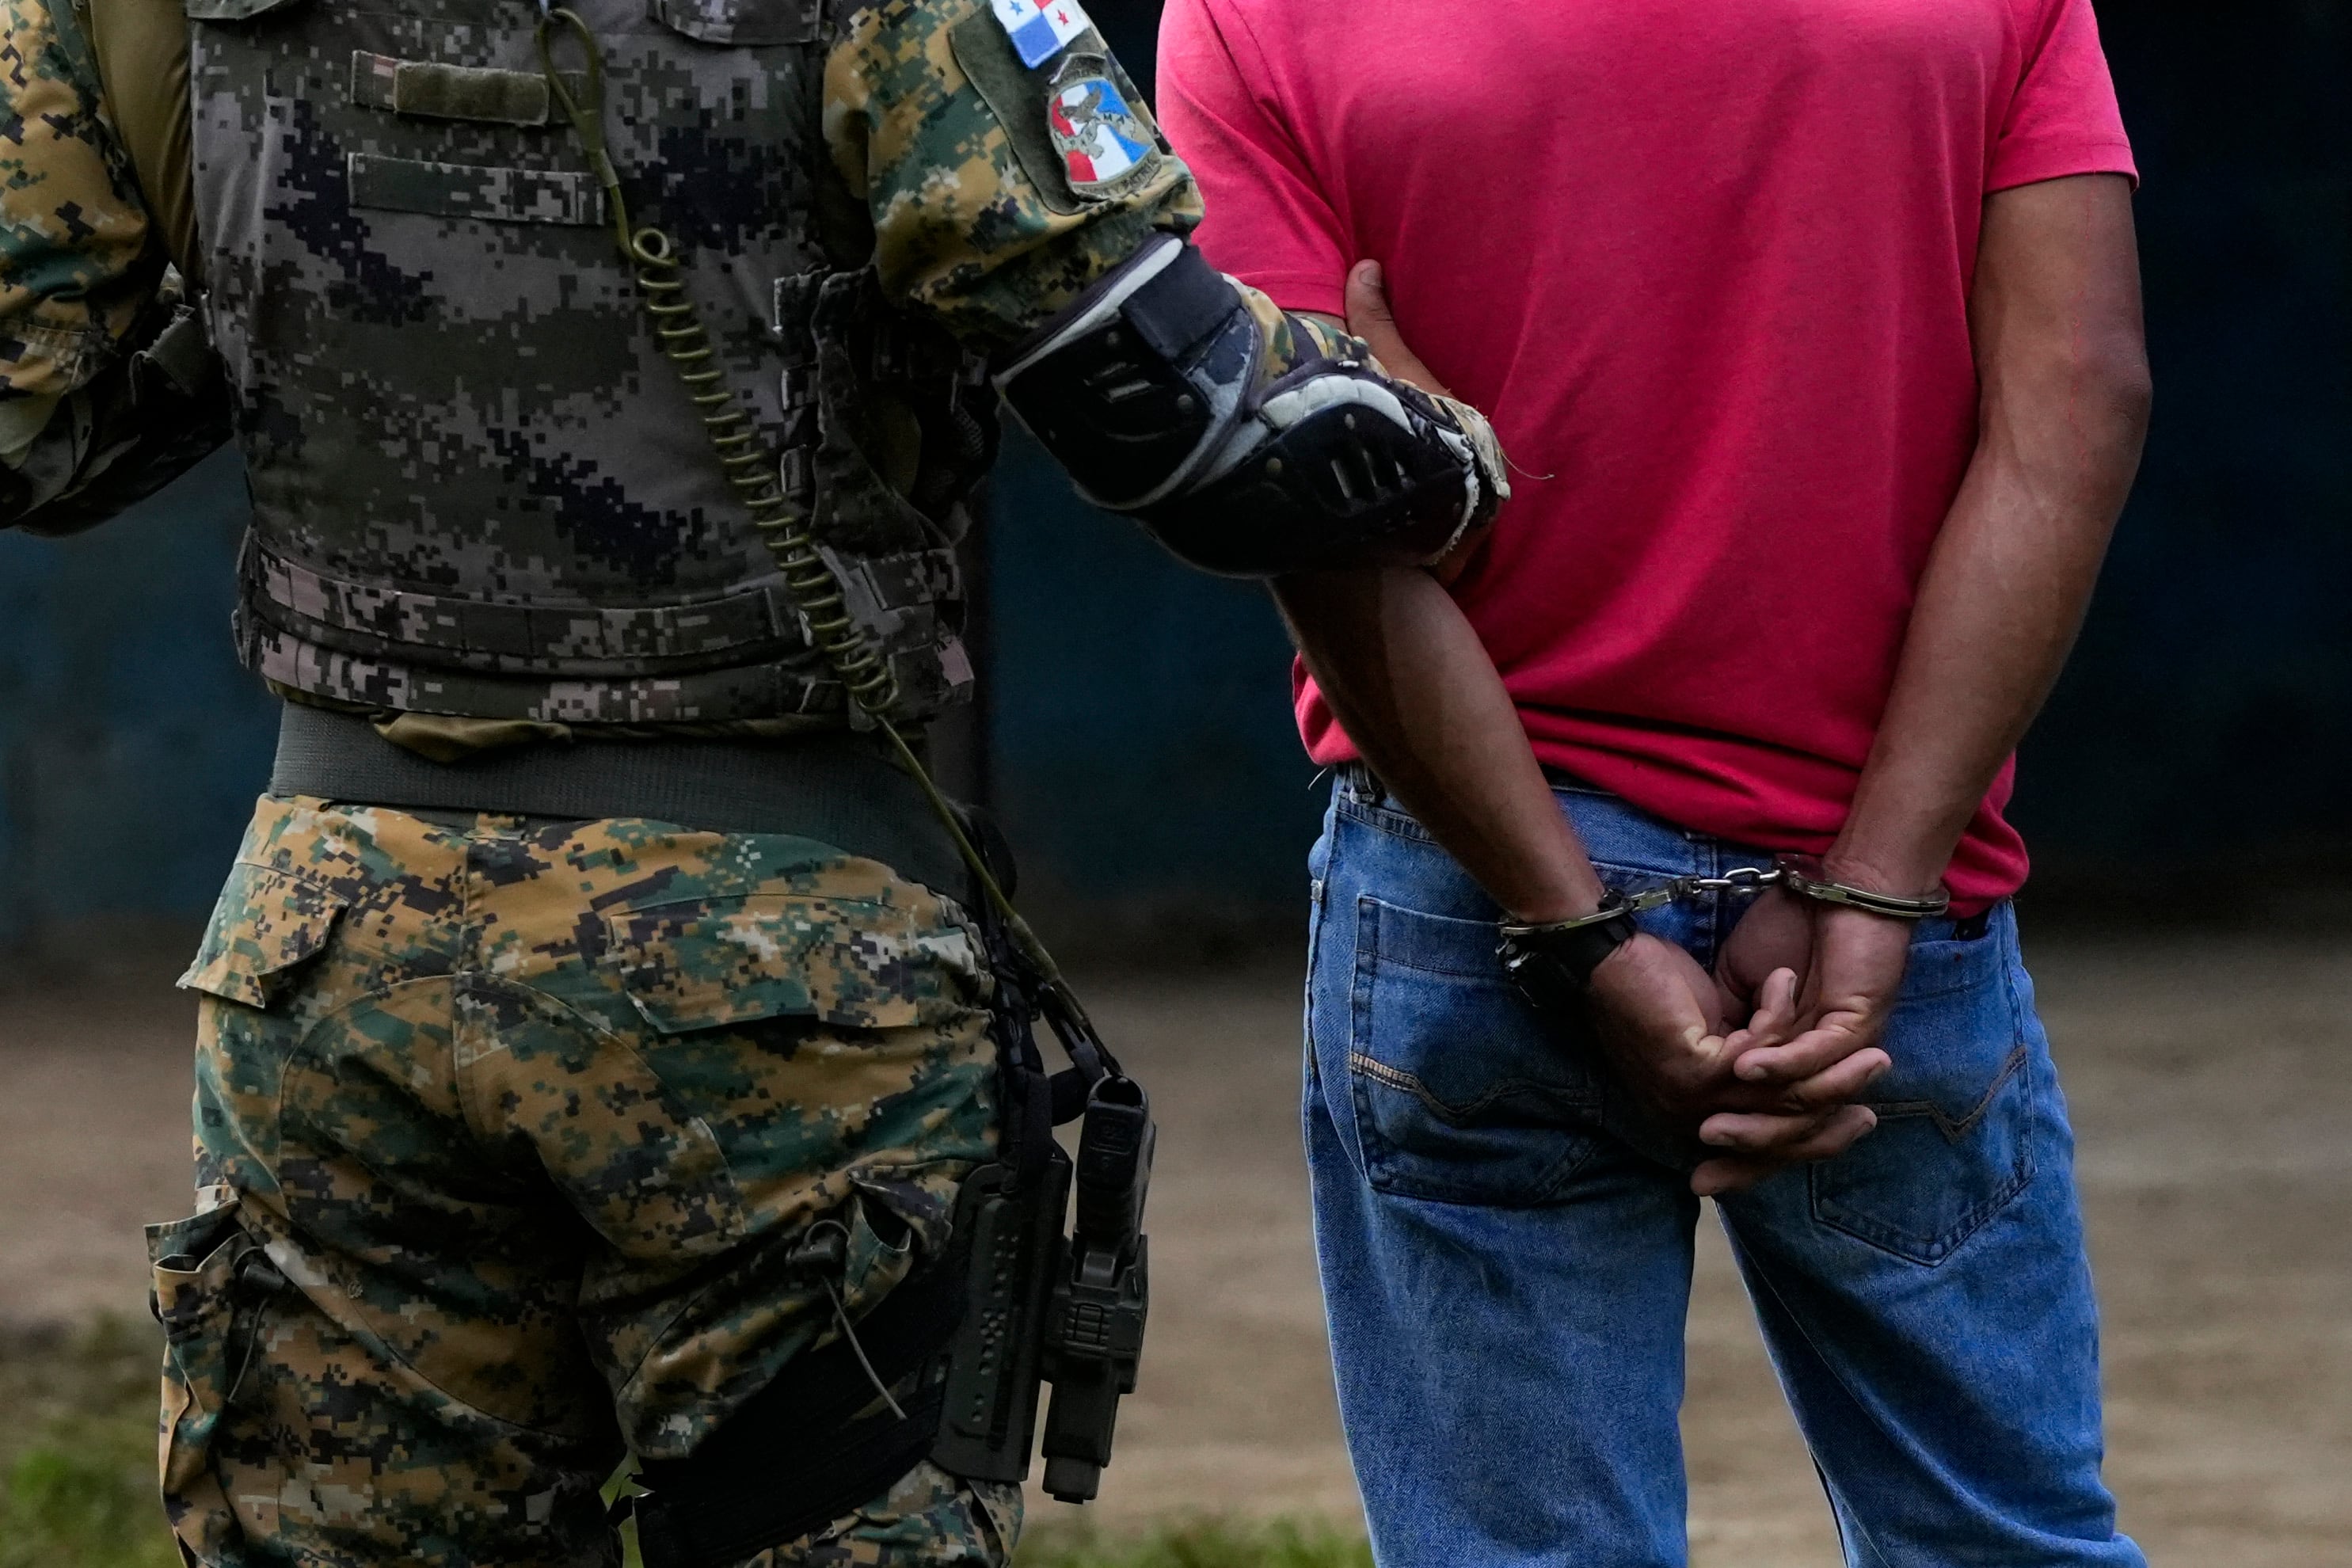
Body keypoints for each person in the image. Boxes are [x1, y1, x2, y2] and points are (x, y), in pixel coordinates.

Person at [0, 0, 1513, 1562]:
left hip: (332, 963)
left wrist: (328, 279)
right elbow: (1182, 419)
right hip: (777, 982)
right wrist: (1458, 453)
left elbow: (32, 427)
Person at [1159, 1, 2154, 1563]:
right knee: (1999, 1541)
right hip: (1875, 922)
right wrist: (1876, 887)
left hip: (1476, 903)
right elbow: (2079, 398)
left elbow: (1297, 480)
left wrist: (1575, 930)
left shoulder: (1250, 16)